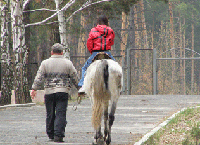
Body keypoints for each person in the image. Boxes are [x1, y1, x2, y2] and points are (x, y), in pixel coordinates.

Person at [30, 43, 79, 143]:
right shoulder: (67, 63)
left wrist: (34, 88)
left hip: (49, 92)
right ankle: (58, 135)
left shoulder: (45, 63)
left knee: (50, 113)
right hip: (63, 91)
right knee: (61, 113)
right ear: (62, 52)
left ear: (52, 52)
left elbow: (39, 77)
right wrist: (80, 89)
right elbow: (74, 77)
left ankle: (51, 134)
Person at [78, 15, 115, 94]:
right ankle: (117, 86)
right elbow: (111, 42)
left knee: (85, 68)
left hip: (96, 52)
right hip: (106, 52)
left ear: (97, 22)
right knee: (116, 67)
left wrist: (92, 51)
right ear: (106, 22)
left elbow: (89, 43)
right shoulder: (110, 30)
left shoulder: (93, 30)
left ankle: (83, 85)